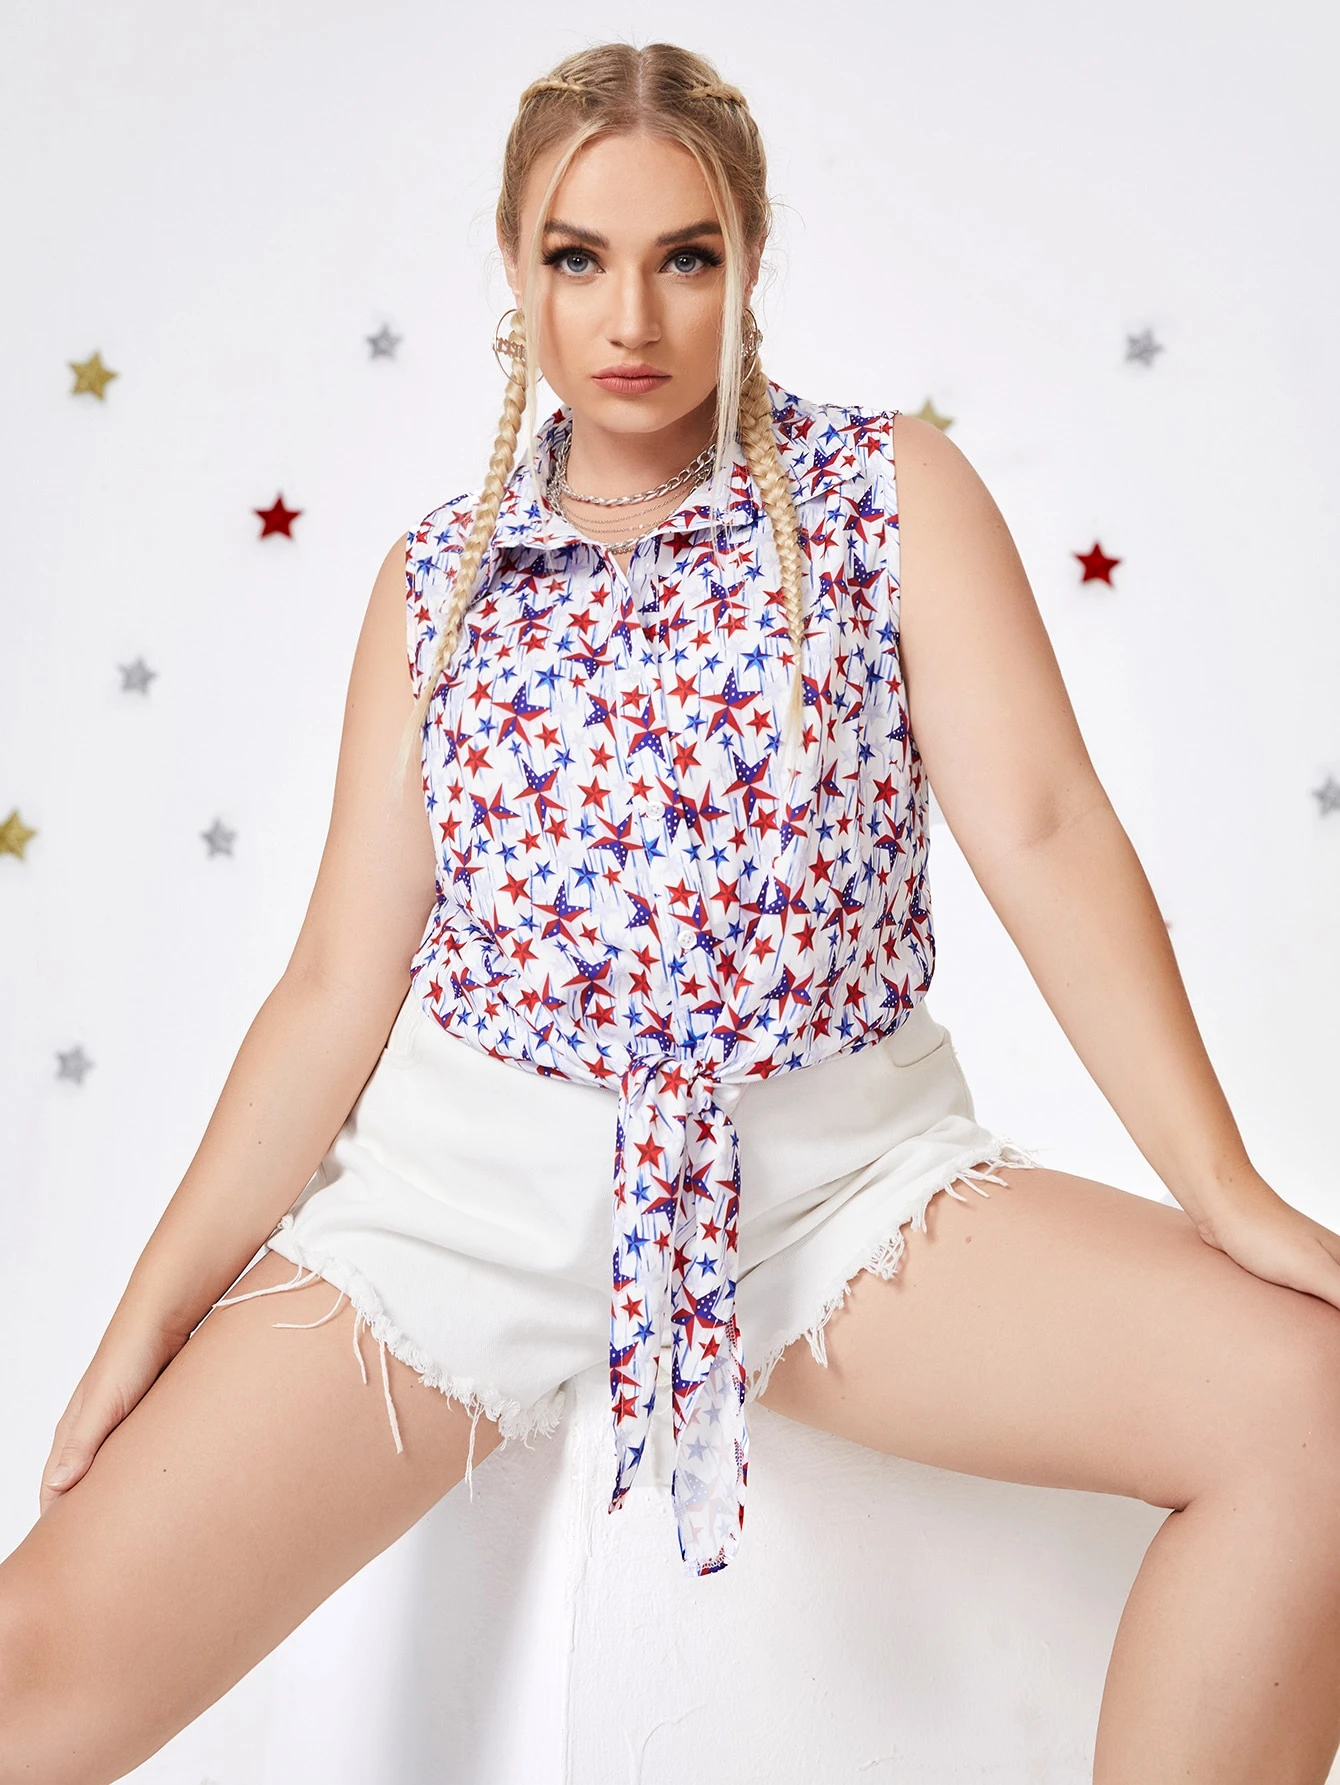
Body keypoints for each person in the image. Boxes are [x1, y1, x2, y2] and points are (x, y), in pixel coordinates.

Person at [5, 36, 1340, 1785]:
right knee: (36, 1668)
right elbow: (335, 980)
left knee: (1313, 1413)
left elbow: (1045, 826)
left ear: (750, 260)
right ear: (514, 270)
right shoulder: (438, 582)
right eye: (579, 257)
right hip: (462, 1208)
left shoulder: (883, 497)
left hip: (835, 1194)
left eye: (685, 256)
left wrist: (1222, 1187)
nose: (630, 316)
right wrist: (149, 1314)